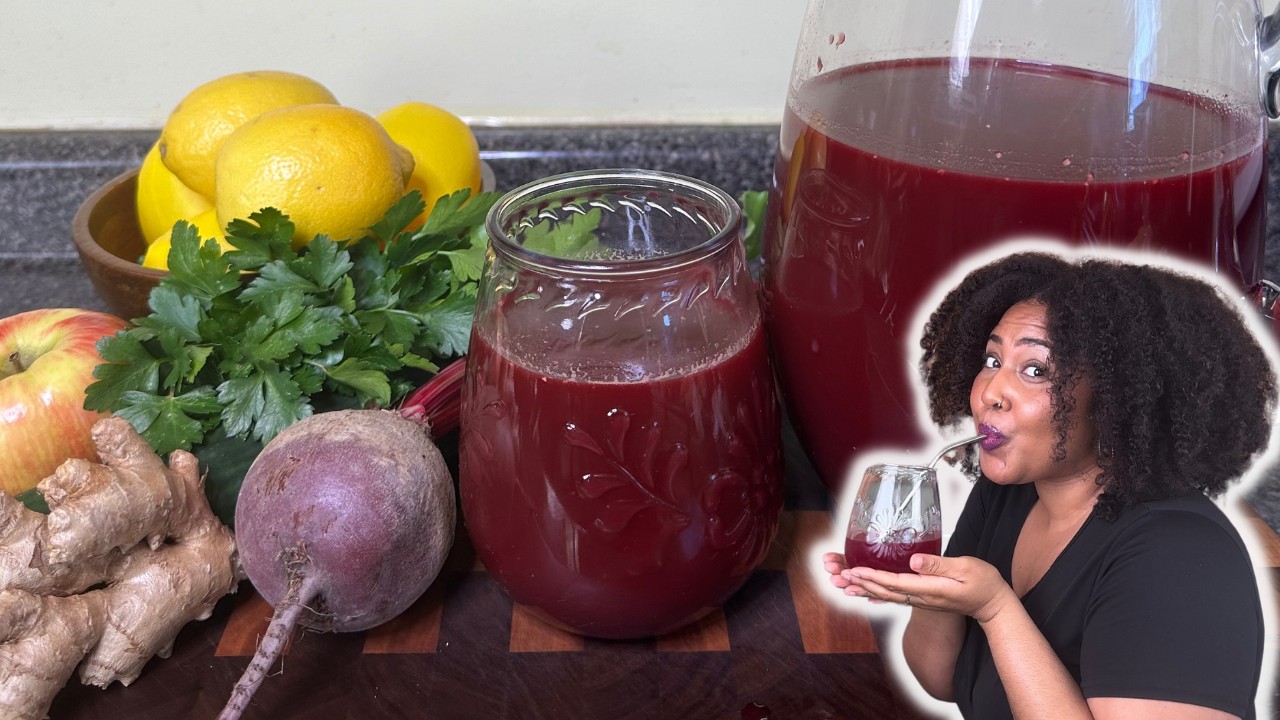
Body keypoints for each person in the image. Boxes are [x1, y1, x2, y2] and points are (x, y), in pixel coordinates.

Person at [823, 250, 1277, 720]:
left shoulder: (1180, 555)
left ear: (1116, 399)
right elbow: (941, 677)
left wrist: (995, 608)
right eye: (992, 359)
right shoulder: (1007, 494)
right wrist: (927, 595)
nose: (989, 392)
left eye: (1035, 370)